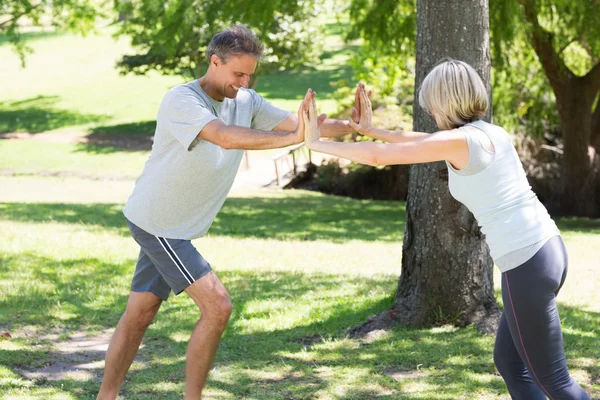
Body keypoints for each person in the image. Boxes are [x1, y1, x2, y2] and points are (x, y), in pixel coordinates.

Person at [302, 60, 591, 399]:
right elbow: (420, 141)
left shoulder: (461, 141)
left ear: (444, 102)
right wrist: (372, 130)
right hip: (548, 251)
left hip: (526, 261)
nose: (431, 114)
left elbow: (381, 158)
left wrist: (317, 143)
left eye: (431, 107)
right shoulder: (485, 133)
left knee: (554, 381)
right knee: (510, 362)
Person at [97, 25, 355, 400]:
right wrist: (294, 137)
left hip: (176, 225)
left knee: (140, 314)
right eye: (238, 73)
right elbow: (224, 135)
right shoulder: (182, 100)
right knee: (218, 306)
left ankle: (106, 396)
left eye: (250, 73)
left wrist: (353, 125)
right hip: (158, 223)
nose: (244, 81)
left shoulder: (246, 99)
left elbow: (301, 125)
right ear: (214, 61)